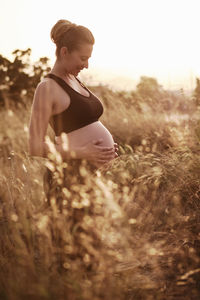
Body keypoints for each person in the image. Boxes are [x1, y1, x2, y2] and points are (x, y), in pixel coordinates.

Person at [28, 19, 118, 199]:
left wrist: (104, 152)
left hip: (92, 180)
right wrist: (84, 152)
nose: (86, 65)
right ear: (64, 52)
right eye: (83, 58)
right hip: (70, 180)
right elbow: (34, 146)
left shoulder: (75, 80)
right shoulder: (47, 88)